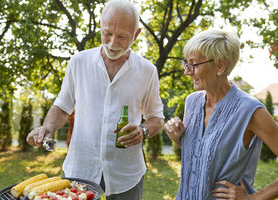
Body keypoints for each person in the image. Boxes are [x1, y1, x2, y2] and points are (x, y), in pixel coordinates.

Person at [26, 0, 164, 199]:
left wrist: (143, 131)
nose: (112, 43)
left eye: (122, 36)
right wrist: (46, 128)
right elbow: (62, 107)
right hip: (79, 169)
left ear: (136, 34)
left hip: (127, 173)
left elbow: (156, 118)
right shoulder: (78, 62)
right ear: (100, 24)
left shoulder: (148, 71)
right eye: (107, 33)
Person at [164, 29, 278, 199]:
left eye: (193, 64)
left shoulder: (251, 111)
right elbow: (204, 156)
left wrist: (253, 198)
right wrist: (179, 139)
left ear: (219, 66)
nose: (187, 71)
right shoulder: (192, 102)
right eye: (186, 63)